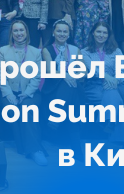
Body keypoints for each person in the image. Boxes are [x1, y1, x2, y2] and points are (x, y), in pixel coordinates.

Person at [0, 20, 46, 165]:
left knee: (27, 108)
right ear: (11, 33)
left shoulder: (35, 52)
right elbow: (1, 76)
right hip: (10, 92)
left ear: (26, 32)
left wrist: (27, 93)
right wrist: (8, 94)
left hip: (30, 92)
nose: (19, 33)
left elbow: (37, 76)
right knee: (12, 109)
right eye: (15, 30)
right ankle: (23, 147)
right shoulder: (3, 51)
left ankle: (35, 150)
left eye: (21, 30)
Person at [81, 21, 124, 146]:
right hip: (95, 86)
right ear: (93, 33)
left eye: (104, 33)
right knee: (114, 98)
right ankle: (120, 136)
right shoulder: (85, 52)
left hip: (118, 85)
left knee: (111, 91)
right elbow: (93, 69)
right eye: (98, 32)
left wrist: (115, 80)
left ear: (108, 35)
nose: (101, 35)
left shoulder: (117, 51)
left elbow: (121, 71)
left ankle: (107, 121)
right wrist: (108, 77)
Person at [40, 20, 84, 153]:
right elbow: (50, 71)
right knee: (70, 92)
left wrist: (72, 76)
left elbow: (83, 72)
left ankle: (56, 117)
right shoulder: (47, 50)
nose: (62, 34)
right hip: (53, 88)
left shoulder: (75, 50)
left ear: (69, 34)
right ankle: (77, 148)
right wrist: (65, 75)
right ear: (53, 33)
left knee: (69, 86)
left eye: (65, 31)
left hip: (73, 85)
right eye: (59, 31)